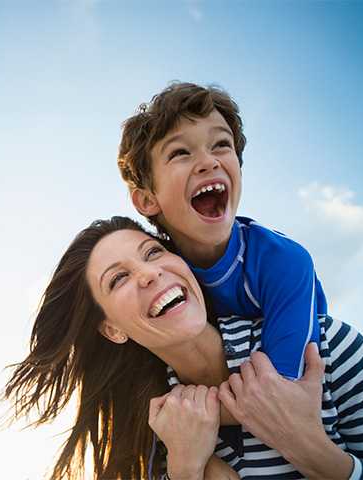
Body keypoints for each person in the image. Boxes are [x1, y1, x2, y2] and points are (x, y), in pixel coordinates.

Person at [2, 217, 363, 479]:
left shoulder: (322, 347)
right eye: (118, 279)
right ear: (113, 329)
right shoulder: (156, 444)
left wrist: (312, 451)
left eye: (151, 253)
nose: (148, 273)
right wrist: (186, 469)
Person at [118, 82, 326, 381]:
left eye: (221, 145)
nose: (208, 161)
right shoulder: (158, 276)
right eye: (180, 152)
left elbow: (286, 391)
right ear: (148, 199)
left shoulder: (284, 262)